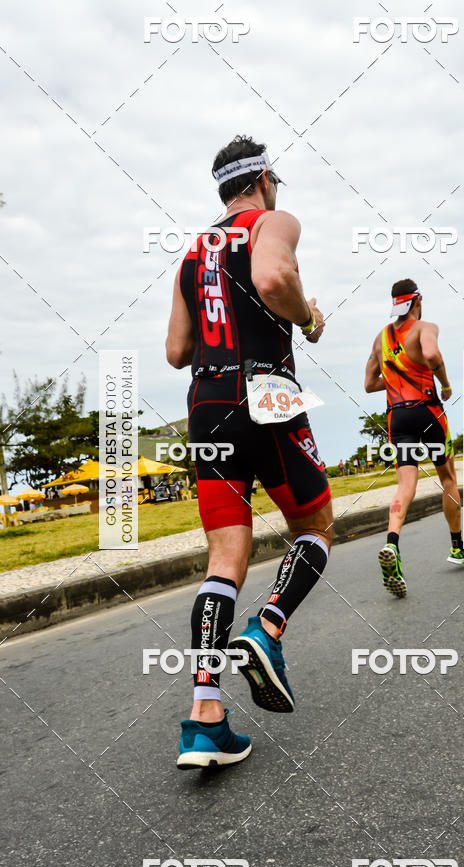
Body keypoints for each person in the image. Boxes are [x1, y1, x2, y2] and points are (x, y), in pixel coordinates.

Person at [166, 135, 332, 769]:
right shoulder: (274, 220)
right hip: (266, 389)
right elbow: (272, 275)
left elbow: (176, 351)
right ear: (262, 179)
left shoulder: (192, 252)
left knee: (224, 557)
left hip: (206, 401)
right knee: (316, 525)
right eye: (275, 181)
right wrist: (307, 318)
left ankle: (204, 718)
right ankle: (268, 630)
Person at [364, 278, 464, 597]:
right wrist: (446, 383)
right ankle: (458, 546)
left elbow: (370, 384)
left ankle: (392, 543)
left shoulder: (379, 339)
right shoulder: (425, 327)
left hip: (397, 416)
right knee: (448, 477)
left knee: (405, 485)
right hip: (428, 410)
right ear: (417, 301)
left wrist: (397, 377)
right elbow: (433, 355)